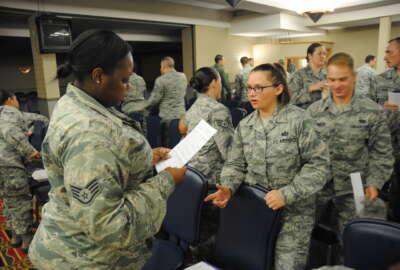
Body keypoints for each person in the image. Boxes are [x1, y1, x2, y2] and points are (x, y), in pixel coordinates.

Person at [28, 30, 186, 270]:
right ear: (99, 76)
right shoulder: (90, 135)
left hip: (69, 242)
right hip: (85, 258)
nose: (128, 88)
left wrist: (141, 158)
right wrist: (167, 181)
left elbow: (107, 157)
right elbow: (111, 227)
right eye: (124, 80)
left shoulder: (76, 102)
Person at [205, 63, 331, 270]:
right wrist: (227, 187)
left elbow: (319, 165)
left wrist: (287, 193)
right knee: (252, 261)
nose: (252, 94)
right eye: (249, 88)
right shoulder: (245, 125)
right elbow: (235, 163)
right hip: (257, 209)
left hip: (293, 213)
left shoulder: (299, 120)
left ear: (278, 89)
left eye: (259, 88)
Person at [308, 53, 393, 259]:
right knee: (299, 231)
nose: (337, 85)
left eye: (343, 79)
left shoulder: (371, 111)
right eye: (332, 79)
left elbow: (381, 153)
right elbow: (304, 151)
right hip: (318, 182)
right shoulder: (314, 111)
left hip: (356, 183)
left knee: (357, 239)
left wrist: (374, 183)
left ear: (354, 76)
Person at [181, 67, 234, 260]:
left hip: (193, 177)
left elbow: (183, 127)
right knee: (211, 234)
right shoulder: (218, 110)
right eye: (219, 82)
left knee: (199, 230)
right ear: (214, 83)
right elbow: (229, 152)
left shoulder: (194, 105)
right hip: (212, 181)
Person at [0, 89, 47, 251]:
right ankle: (27, 240)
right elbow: (10, 132)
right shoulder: (11, 113)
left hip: (2, 168)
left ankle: (15, 235)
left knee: (8, 200)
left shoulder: (4, 114)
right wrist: (31, 152)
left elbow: (32, 118)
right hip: (10, 166)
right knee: (21, 201)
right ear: (11, 99)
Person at [369, 37, 400, 222]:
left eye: (390, 52)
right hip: (385, 151)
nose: (384, 56)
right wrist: (383, 111)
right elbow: (368, 111)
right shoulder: (380, 80)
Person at [141, 56, 187, 147]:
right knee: (181, 146)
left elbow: (154, 100)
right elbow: (183, 93)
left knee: (168, 148)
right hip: (182, 119)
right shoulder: (183, 77)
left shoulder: (161, 80)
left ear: (163, 67)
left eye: (160, 67)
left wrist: (143, 106)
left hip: (167, 120)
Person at [289, 42, 328, 109]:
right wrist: (310, 89)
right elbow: (290, 99)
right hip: (304, 116)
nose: (323, 56)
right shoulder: (298, 75)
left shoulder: (328, 75)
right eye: (319, 54)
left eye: (324, 54)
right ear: (310, 56)